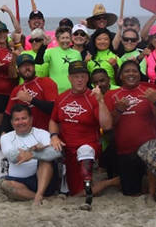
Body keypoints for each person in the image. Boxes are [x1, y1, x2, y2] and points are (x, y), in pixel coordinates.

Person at [48, 61, 112, 209]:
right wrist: (54, 136)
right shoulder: (62, 98)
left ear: (87, 78)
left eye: (83, 76)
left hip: (87, 146)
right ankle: (110, 182)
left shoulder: (93, 97)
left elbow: (107, 125)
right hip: (66, 148)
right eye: (76, 76)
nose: (80, 80)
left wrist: (101, 101)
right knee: (74, 191)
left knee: (85, 151)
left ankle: (89, 194)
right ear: (69, 78)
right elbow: (53, 120)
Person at [105, 60, 156, 198]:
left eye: (134, 71)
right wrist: (118, 110)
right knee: (130, 192)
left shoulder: (148, 91)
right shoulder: (111, 94)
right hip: (125, 150)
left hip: (148, 147)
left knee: (153, 152)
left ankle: (152, 194)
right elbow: (108, 125)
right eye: (127, 71)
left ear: (140, 74)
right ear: (120, 75)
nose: (131, 74)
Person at [0, 105, 60, 206]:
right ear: (12, 122)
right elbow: (13, 157)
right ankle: (41, 198)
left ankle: (39, 194)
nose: (21, 122)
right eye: (17, 119)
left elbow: (56, 153)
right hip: (19, 182)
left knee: (45, 160)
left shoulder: (42, 133)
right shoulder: (6, 137)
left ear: (31, 119)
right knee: (5, 185)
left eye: (24, 118)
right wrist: (33, 150)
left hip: (41, 180)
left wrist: (34, 155)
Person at [4, 54, 56, 130]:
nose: (27, 68)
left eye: (30, 65)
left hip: (46, 133)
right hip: (24, 134)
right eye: (23, 66)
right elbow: (8, 114)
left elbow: (54, 109)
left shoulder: (46, 82)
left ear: (34, 67)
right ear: (18, 70)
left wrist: (31, 99)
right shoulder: (17, 90)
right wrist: (3, 132)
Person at [44, 27, 81, 93]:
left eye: (67, 38)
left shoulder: (77, 53)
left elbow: (80, 73)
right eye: (62, 38)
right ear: (57, 40)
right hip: (54, 91)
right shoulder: (49, 52)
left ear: (71, 39)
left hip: (72, 91)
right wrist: (44, 45)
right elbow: (39, 62)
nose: (65, 41)